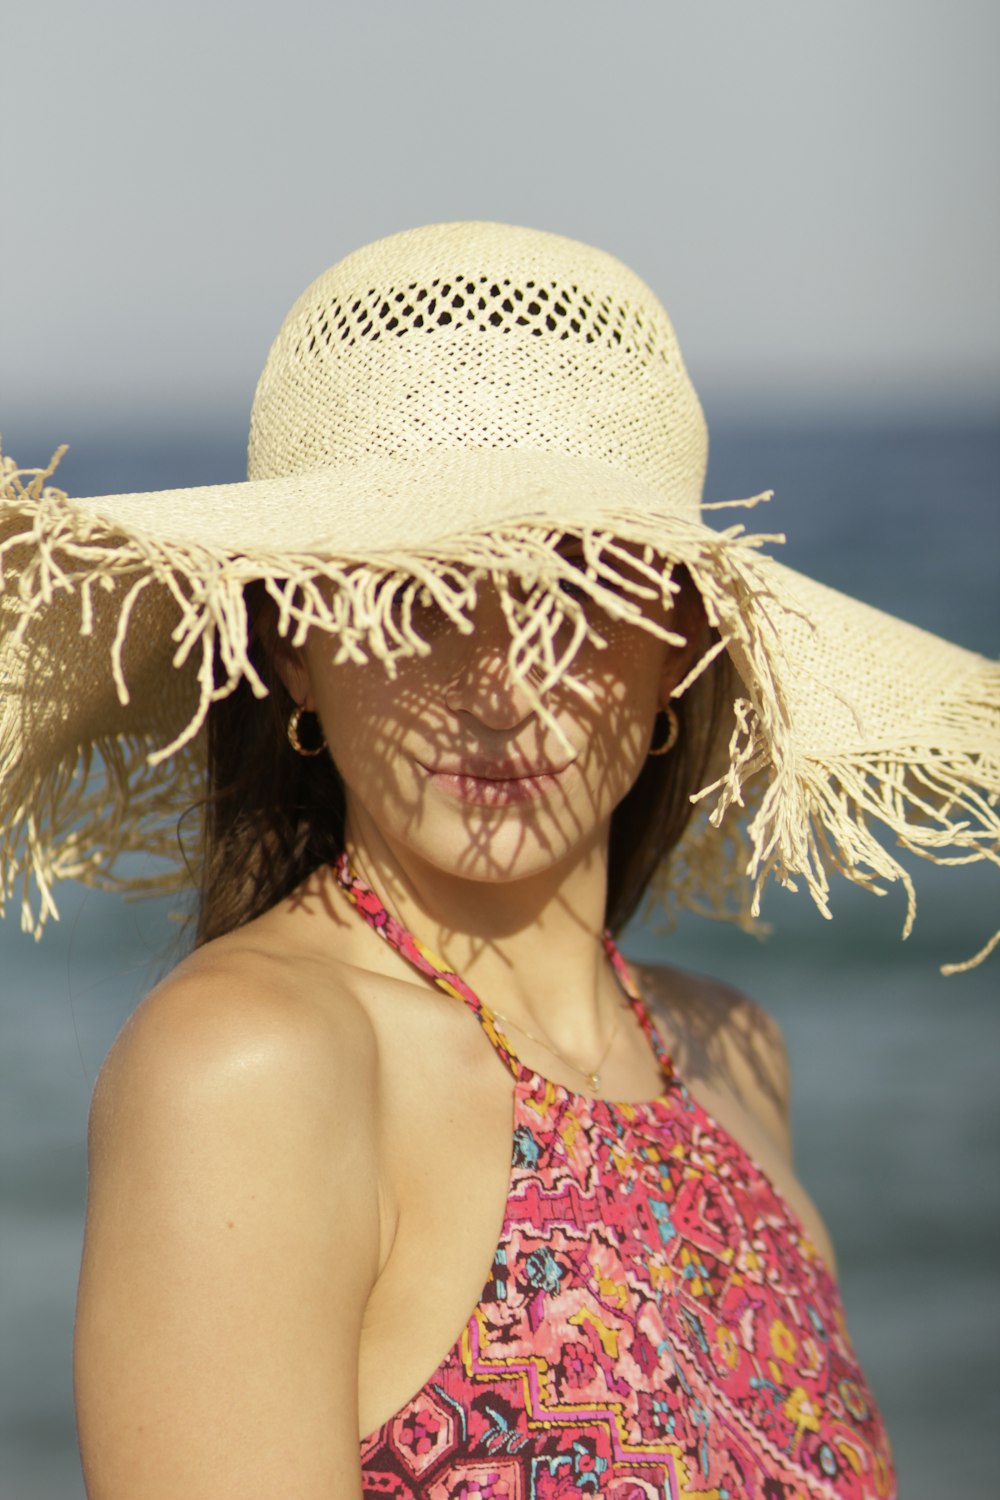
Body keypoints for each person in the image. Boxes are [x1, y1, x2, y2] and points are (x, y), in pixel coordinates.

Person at [1, 221, 996, 1498]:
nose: (503, 686)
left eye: (577, 588)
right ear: (295, 641)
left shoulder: (730, 1060)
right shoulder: (250, 1066)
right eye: (417, 596)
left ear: (678, 641)